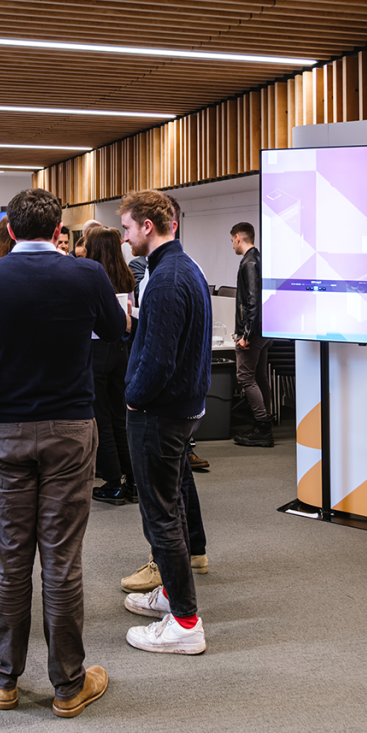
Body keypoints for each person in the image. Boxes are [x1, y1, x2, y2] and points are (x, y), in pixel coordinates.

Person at [0, 189, 127, 717]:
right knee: (63, 559)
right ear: (57, 227)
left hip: (5, 433)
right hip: (71, 429)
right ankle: (69, 684)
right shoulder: (87, 274)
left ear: (10, 228)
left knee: (12, 558)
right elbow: (117, 330)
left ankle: (3, 678)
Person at [119, 190, 212, 655]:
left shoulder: (169, 278)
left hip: (160, 412)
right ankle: (173, 596)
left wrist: (133, 399)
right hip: (175, 409)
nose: (125, 236)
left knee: (161, 515)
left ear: (148, 227)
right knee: (169, 505)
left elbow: (158, 357)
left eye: (128, 228)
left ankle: (185, 623)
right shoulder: (181, 267)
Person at [83, 226, 135, 505]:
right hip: (120, 350)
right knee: (120, 418)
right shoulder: (126, 275)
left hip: (96, 350)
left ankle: (113, 481)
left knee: (100, 418)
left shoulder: (90, 275)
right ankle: (133, 479)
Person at [231, 222, 273, 448]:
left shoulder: (248, 262)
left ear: (238, 237)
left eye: (232, 241)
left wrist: (245, 334)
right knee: (260, 377)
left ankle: (262, 426)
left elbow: (252, 302)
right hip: (264, 330)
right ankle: (265, 422)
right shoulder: (260, 259)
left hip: (253, 331)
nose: (233, 246)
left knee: (246, 378)